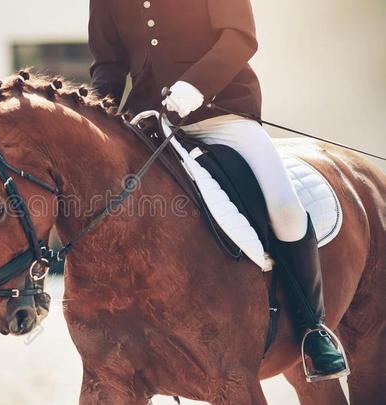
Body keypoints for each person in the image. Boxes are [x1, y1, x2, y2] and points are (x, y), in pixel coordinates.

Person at [88, 0, 348, 380]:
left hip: (220, 112)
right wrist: (101, 114)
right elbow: (109, 64)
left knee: (285, 207)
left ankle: (313, 329)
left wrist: (197, 84)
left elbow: (240, 37)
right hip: (149, 122)